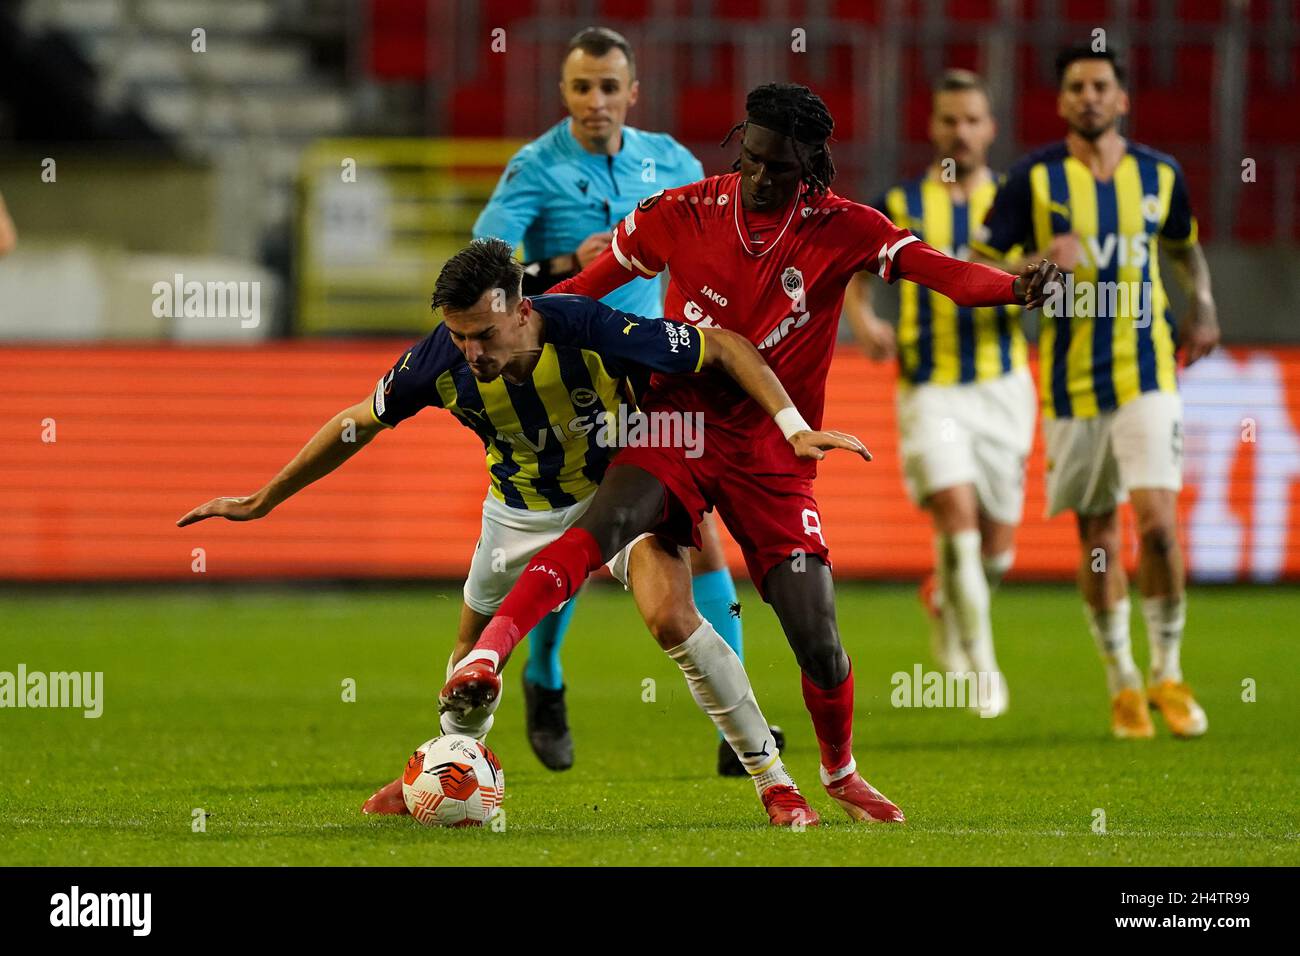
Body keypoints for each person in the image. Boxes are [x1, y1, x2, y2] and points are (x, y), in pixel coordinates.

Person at [441, 84, 1059, 823]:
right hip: (679, 425)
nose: (763, 178)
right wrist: (510, 332)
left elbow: (944, 273)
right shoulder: (682, 212)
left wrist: (1014, 286)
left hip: (774, 450)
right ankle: (492, 654)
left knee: (817, 637)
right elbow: (578, 293)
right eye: (754, 159)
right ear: (742, 144)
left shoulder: (844, 227)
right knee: (604, 523)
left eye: (782, 168)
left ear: (814, 166)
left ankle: (839, 773)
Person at [178, 237, 870, 826]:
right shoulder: (437, 363)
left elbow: (720, 346)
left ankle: (774, 782)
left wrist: (789, 427)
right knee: (470, 662)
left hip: (619, 497)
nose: (471, 350)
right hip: (516, 512)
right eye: (458, 334)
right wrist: (265, 499)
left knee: (671, 619)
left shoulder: (588, 326)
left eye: (483, 333)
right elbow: (356, 423)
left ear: (521, 306)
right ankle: (438, 770)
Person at [473, 26, 753, 772]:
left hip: (654, 373)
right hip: (567, 383)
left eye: (608, 86)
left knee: (700, 534)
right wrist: (566, 261)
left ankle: (737, 722)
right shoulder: (534, 167)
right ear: (564, 93)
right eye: (581, 87)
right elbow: (486, 274)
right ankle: (543, 674)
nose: (596, 101)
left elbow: (716, 249)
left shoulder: (675, 162)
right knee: (573, 541)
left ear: (633, 92)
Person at [970, 47, 1220, 739]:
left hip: (1149, 370)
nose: (1088, 96)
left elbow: (1183, 246)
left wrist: (1201, 304)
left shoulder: (1160, 174)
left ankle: (1168, 670)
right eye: (1076, 86)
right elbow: (984, 257)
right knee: (1099, 536)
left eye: (1100, 85)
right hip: (1073, 381)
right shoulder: (1034, 178)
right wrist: (1037, 264)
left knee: (1161, 528)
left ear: (1122, 98)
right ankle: (1123, 682)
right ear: (1060, 102)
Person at [844, 69, 1033, 716]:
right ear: (933, 127)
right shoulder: (898, 201)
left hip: (1004, 387)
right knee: (954, 510)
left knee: (998, 549)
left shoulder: (1020, 200)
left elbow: (1052, 272)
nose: (961, 131)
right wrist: (864, 320)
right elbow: (852, 268)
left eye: (972, 120)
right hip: (929, 389)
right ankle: (981, 665)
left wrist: (1053, 271)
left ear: (991, 128)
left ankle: (944, 600)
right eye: (950, 119)